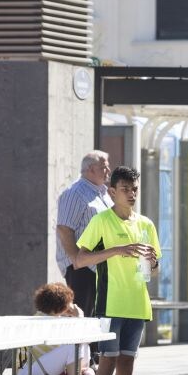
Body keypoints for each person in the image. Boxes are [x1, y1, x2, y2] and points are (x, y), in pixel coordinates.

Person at [74, 166, 160, 375]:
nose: (132, 193)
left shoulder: (146, 224)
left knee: (127, 367)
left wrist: (153, 263)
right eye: (125, 189)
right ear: (112, 192)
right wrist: (116, 251)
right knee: (107, 365)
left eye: (135, 188)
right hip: (110, 304)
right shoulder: (102, 221)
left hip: (137, 304)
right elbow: (79, 260)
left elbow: (153, 270)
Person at [56, 150, 112, 359]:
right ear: (90, 169)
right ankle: (79, 363)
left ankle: (95, 358)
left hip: (101, 266)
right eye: (104, 166)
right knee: (82, 315)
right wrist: (75, 260)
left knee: (99, 316)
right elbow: (64, 228)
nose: (108, 170)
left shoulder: (104, 193)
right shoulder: (75, 193)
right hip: (82, 268)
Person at [17, 283, 93, 375]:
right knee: (73, 348)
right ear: (61, 304)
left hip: (35, 369)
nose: (71, 306)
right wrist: (79, 317)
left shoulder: (47, 318)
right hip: (26, 374)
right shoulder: (48, 323)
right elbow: (78, 341)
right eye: (69, 303)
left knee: (83, 346)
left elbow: (85, 342)